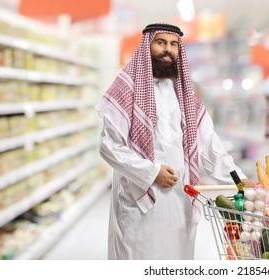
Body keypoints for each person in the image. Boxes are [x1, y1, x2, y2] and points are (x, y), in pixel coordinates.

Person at [95, 23, 255, 260]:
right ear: (147, 46)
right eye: (160, 43)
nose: (167, 50)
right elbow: (109, 147)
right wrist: (151, 172)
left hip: (181, 200)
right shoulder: (126, 89)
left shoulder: (186, 96)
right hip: (140, 199)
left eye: (173, 44)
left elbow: (211, 148)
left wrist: (239, 180)